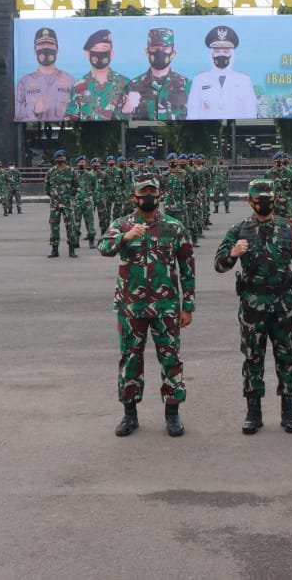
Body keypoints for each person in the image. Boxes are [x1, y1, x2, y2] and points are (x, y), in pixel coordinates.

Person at [214, 179, 292, 435]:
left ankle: (289, 412)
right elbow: (219, 265)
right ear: (249, 201)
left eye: (267, 198)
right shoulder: (239, 230)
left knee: (287, 358)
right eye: (258, 199)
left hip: (283, 305)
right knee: (253, 358)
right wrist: (233, 254)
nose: (263, 202)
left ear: (275, 200)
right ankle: (253, 412)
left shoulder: (287, 227)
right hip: (252, 307)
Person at [99, 177, 196, 438]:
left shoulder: (173, 227)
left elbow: (187, 268)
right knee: (130, 358)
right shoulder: (121, 224)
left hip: (165, 307)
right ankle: (129, 414)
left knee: (171, 358)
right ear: (134, 197)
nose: (148, 196)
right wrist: (125, 236)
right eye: (144, 193)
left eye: (152, 192)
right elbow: (104, 247)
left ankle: (173, 414)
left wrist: (187, 306)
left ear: (160, 195)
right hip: (131, 306)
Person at [186, 25, 258, 119]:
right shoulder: (199, 80)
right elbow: (192, 112)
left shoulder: (244, 80)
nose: (221, 54)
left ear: (231, 54)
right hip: (207, 128)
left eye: (225, 51)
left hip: (236, 128)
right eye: (217, 51)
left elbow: (250, 112)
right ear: (211, 54)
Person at [64, 29, 132, 120]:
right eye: (95, 49)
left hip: (118, 132)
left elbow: (133, 115)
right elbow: (71, 117)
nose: (100, 54)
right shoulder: (78, 86)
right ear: (88, 54)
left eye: (104, 49)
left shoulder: (125, 84)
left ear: (111, 53)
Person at [127, 28, 191, 120]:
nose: (160, 52)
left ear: (173, 53)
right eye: (155, 48)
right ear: (147, 52)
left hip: (177, 133)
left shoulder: (188, 86)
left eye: (165, 48)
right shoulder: (133, 86)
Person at [15, 26, 75, 121]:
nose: (46, 49)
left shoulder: (69, 80)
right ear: (35, 51)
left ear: (57, 50)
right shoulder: (24, 82)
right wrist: (34, 109)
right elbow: (16, 113)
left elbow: (78, 110)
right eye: (42, 46)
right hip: (34, 129)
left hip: (63, 129)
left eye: (50, 46)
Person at [45, 150, 81, 257]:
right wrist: (54, 196)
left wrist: (69, 197)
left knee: (71, 226)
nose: (61, 159)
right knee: (54, 226)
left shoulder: (71, 171)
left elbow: (76, 187)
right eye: (58, 157)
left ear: (66, 159)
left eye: (62, 157)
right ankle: (54, 250)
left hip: (68, 203)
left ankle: (72, 249)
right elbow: (47, 188)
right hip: (55, 204)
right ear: (55, 159)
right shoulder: (50, 172)